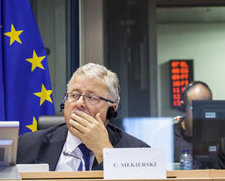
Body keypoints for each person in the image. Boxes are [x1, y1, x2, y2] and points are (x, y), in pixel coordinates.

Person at [17, 62, 149, 170]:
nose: (80, 103)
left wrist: (103, 150)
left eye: (91, 97)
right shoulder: (25, 145)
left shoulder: (138, 152)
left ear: (111, 110)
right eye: (74, 95)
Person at [173, 80, 212, 166]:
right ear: (183, 107)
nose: (202, 114)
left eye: (207, 108)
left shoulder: (218, 137)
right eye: (196, 108)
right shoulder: (169, 137)